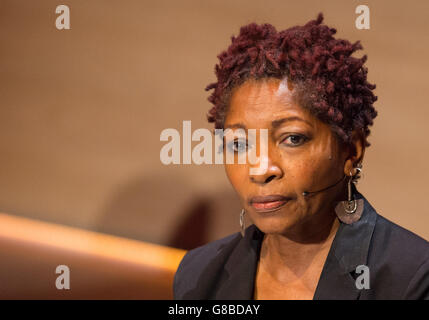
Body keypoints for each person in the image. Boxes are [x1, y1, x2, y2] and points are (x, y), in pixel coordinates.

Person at [173, 13, 429, 300]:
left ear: (352, 150)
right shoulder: (199, 274)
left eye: (292, 139)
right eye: (239, 145)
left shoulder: (411, 278)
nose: (260, 169)